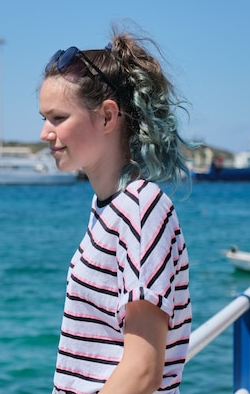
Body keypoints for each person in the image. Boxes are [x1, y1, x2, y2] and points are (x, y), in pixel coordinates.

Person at [39, 27, 192, 394]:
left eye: (58, 118)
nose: (45, 132)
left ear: (108, 117)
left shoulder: (140, 209)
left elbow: (142, 370)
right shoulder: (110, 207)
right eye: (43, 118)